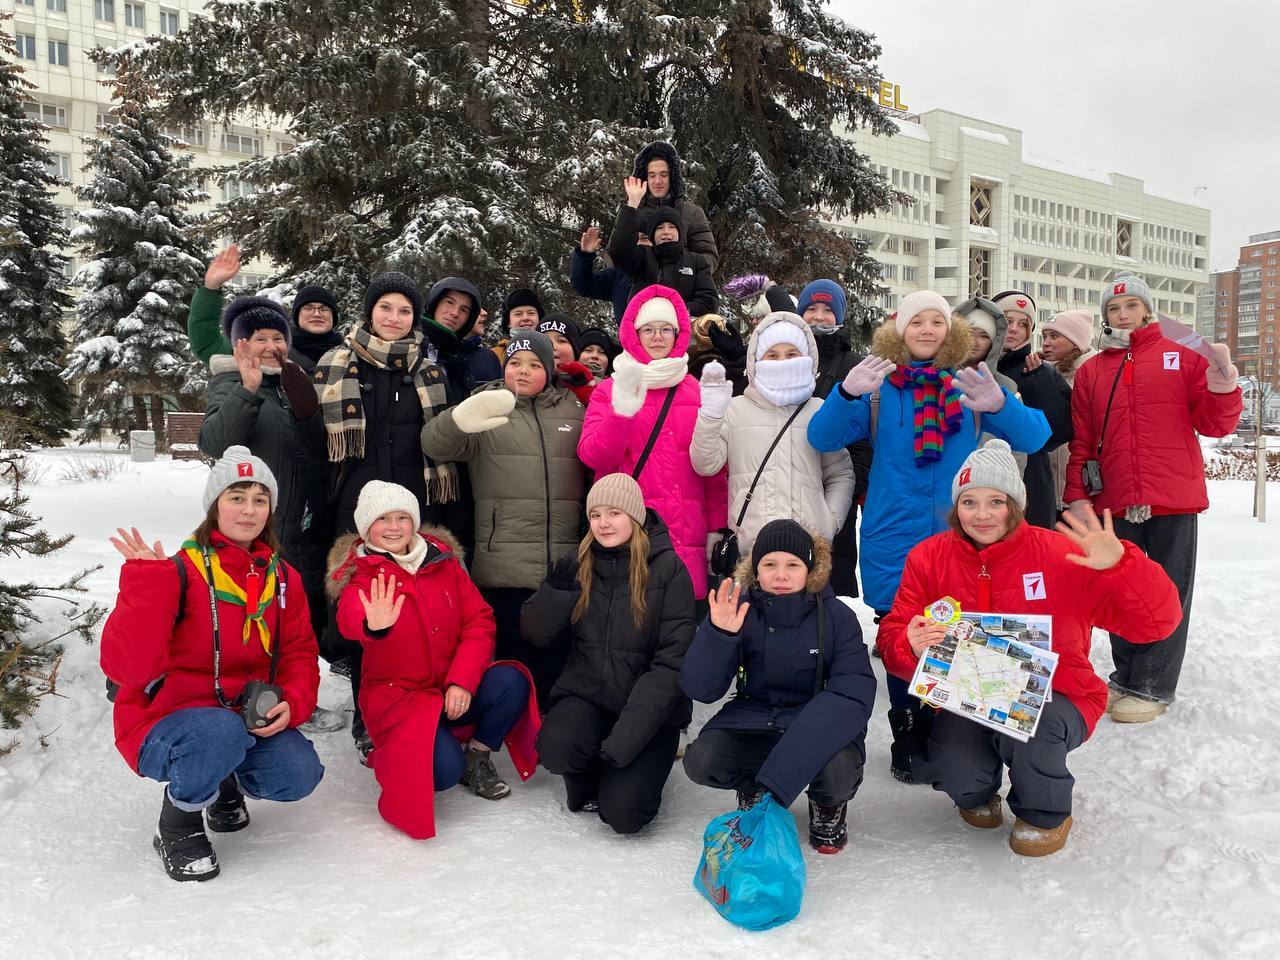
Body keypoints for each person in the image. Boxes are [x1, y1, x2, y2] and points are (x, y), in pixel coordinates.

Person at [877, 440, 1181, 855]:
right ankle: (976, 792)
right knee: (956, 765)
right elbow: (894, 631)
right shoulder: (929, 557)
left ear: (1016, 504)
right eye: (970, 502)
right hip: (970, 697)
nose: (982, 515)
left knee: (1033, 731)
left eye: (996, 502)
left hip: (1059, 695)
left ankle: (1044, 813)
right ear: (956, 506)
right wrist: (906, 642)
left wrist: (1121, 566)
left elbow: (1155, 624)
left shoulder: (1062, 554)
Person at [806, 291, 1051, 782]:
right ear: (900, 330)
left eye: (936, 321)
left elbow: (1034, 438)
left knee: (962, 633)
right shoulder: (879, 388)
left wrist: (1001, 404)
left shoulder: (971, 381)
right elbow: (822, 437)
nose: (926, 330)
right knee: (904, 635)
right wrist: (846, 395)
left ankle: (963, 735)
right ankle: (910, 731)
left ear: (949, 330)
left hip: (962, 535)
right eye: (916, 321)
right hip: (893, 533)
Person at [101, 447, 323, 882]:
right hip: (164, 722)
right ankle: (177, 824)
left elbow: (299, 653)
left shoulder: (283, 579)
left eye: (260, 499)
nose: (249, 509)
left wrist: (293, 703)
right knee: (217, 732)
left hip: (239, 720)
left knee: (298, 772)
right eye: (236, 497)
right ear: (214, 505)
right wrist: (146, 586)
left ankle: (224, 784)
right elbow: (127, 669)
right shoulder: (178, 571)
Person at [1063, 274, 1242, 723]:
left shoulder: (1182, 354)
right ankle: (1125, 676)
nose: (1122, 315)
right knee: (1120, 588)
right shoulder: (1092, 369)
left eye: (1131, 307)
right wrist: (1077, 497)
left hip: (1172, 497)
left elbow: (1215, 425)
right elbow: (1083, 442)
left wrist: (1223, 385)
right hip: (1114, 498)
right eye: (1113, 309)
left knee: (1168, 592)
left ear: (1147, 309)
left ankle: (1153, 685)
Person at [328, 481, 539, 840]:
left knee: (512, 681)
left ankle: (478, 755)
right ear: (366, 528)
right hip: (402, 699)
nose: (394, 527)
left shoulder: (443, 562)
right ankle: (417, 750)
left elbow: (479, 621)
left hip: (450, 687)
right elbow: (350, 620)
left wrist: (462, 681)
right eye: (383, 519)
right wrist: (372, 625)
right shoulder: (360, 574)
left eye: (402, 517)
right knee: (442, 774)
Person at [313, 272, 455, 762]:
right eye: (386, 308)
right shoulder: (335, 363)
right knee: (365, 618)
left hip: (413, 512)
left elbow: (444, 441)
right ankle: (367, 719)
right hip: (356, 515)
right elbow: (317, 443)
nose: (394, 319)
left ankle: (415, 710)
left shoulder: (430, 373)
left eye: (404, 311)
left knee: (413, 617)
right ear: (370, 310)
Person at [681, 520, 875, 854]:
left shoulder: (838, 617)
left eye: (792, 565)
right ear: (756, 569)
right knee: (702, 760)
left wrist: (779, 778)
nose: (781, 575)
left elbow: (852, 695)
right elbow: (701, 688)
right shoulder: (739, 610)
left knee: (839, 769)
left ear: (810, 569)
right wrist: (719, 635)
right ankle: (751, 784)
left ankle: (827, 805)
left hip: (817, 720)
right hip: (754, 717)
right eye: (770, 564)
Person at [521, 473, 694, 834]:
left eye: (614, 513)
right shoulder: (579, 562)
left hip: (650, 713)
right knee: (555, 745)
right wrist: (554, 595)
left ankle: (628, 772)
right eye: (596, 514)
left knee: (625, 815)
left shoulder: (668, 569)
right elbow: (535, 635)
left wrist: (627, 737)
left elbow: (671, 663)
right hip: (588, 696)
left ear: (634, 516)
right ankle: (592, 771)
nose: (603, 523)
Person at [420, 331, 586, 705]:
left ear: (549, 369)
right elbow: (434, 444)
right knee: (511, 659)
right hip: (503, 564)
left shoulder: (572, 410)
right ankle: (504, 731)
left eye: (533, 364)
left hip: (563, 563)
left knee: (556, 659)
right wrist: (459, 418)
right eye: (514, 363)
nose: (523, 371)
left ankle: (545, 729)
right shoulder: (487, 406)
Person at [196, 296, 335, 721]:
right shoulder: (230, 382)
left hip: (300, 524)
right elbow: (215, 443)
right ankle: (249, 702)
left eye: (278, 337)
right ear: (241, 345)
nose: (271, 345)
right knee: (254, 619)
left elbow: (314, 453)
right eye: (260, 338)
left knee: (291, 623)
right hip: (253, 527)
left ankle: (292, 701)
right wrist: (248, 389)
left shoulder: (294, 384)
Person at [577, 284, 728, 599]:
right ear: (634, 333)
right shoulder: (609, 390)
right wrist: (621, 413)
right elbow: (594, 457)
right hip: (628, 539)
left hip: (687, 541)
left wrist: (716, 528)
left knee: (681, 639)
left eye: (665, 329)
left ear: (678, 333)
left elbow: (714, 473)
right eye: (648, 329)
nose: (657, 337)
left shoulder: (695, 391)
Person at [691, 310, 854, 560]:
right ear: (756, 360)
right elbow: (705, 464)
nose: (783, 362)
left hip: (808, 552)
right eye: (772, 355)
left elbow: (840, 473)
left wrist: (829, 522)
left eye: (792, 354)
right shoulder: (735, 410)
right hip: (750, 552)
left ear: (807, 358)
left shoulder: (819, 410)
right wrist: (711, 415)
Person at [797, 279, 872, 597]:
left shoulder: (855, 366)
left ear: (840, 317)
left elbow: (863, 442)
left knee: (832, 580)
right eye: (811, 308)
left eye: (827, 310)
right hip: (790, 485)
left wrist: (848, 492)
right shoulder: (785, 359)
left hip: (835, 493)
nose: (818, 316)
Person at [988, 291, 1073, 530]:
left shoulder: (1041, 371)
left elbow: (1058, 433)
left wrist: (1036, 384)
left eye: (1023, 324)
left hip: (1030, 485)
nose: (1014, 329)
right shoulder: (969, 365)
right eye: (1006, 320)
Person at [187, 245, 343, 374]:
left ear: (334, 317)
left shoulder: (349, 355)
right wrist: (211, 288)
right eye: (308, 308)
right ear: (296, 316)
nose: (316, 313)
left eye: (324, 309)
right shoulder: (265, 348)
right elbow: (206, 343)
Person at [608, 193, 717, 317]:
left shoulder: (696, 262)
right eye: (660, 228)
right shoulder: (643, 257)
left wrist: (674, 312)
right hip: (645, 331)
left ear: (679, 232)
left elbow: (709, 303)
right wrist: (631, 205)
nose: (666, 232)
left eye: (672, 227)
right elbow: (619, 250)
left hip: (684, 331)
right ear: (652, 234)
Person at [1039, 309, 1098, 511]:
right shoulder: (1042, 373)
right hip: (1050, 488)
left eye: (1054, 336)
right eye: (1044, 336)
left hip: (1085, 489)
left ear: (1076, 342)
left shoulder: (1095, 375)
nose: (1046, 342)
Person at [629, 140, 719, 273]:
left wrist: (683, 269)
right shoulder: (631, 211)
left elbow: (709, 256)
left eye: (664, 175)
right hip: (640, 290)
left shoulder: (692, 213)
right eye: (652, 175)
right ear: (645, 178)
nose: (658, 181)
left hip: (682, 290)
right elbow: (613, 255)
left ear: (673, 176)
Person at [421, 276, 501, 401]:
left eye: (464, 310)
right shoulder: (407, 347)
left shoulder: (463, 363)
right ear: (435, 303)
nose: (455, 313)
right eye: (449, 302)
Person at [569, 226, 630, 325]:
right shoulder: (619, 275)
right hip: (630, 338)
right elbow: (582, 284)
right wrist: (584, 255)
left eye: (645, 238)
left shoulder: (663, 271)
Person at [537, 313, 596, 405]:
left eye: (561, 341)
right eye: (545, 340)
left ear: (575, 351)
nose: (553, 346)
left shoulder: (600, 386)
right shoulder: (520, 383)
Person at [490, 287, 545, 366]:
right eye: (518, 314)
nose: (525, 318)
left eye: (531, 313)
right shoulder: (494, 356)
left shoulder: (552, 351)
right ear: (508, 322)